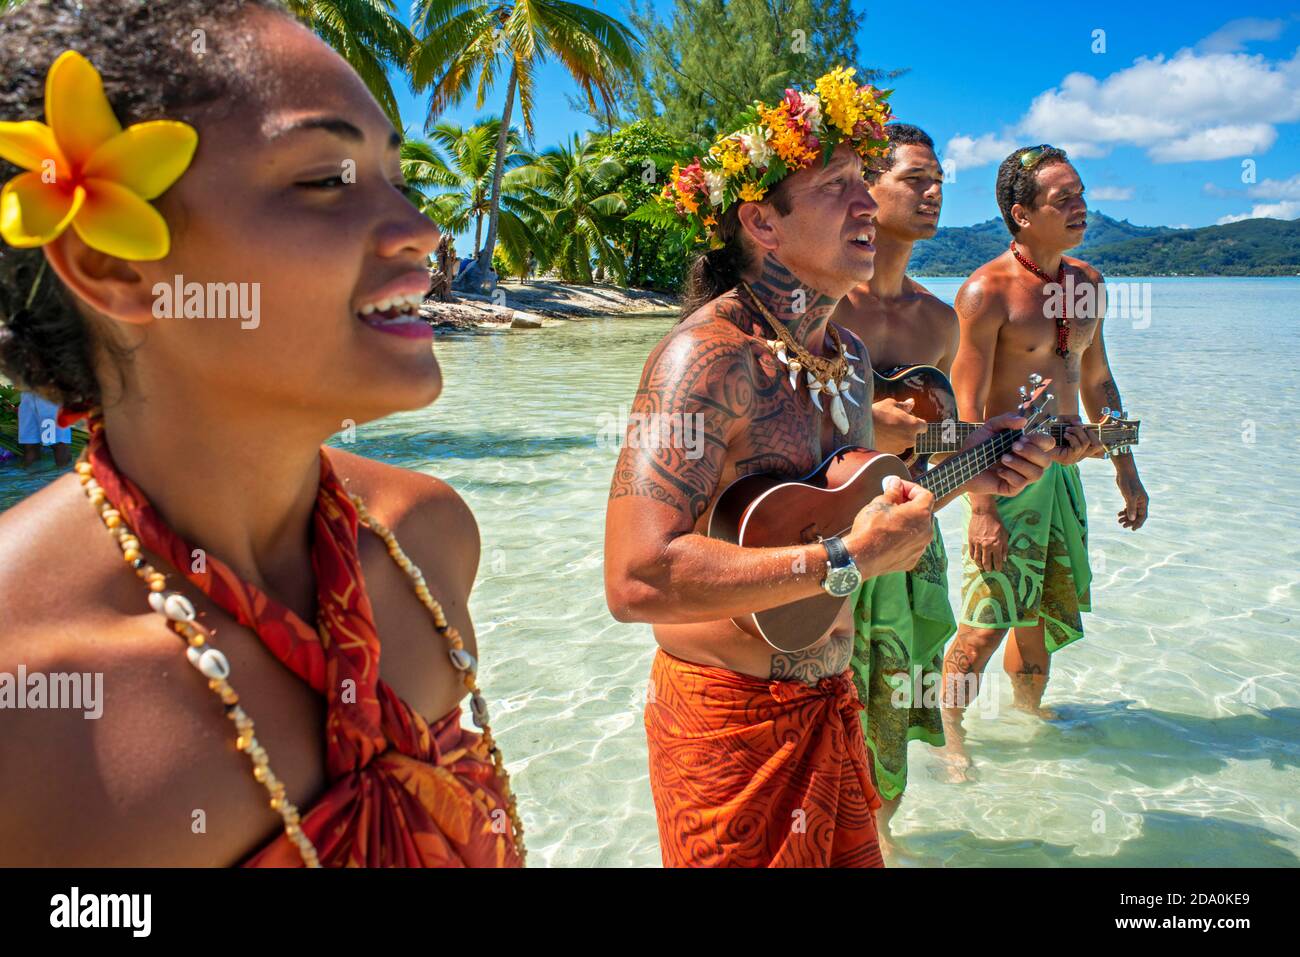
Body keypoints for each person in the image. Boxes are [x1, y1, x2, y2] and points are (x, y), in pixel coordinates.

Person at [0, 0, 522, 866]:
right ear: (113, 266)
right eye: (325, 180)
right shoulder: (29, 696)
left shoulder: (428, 541)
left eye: (396, 179)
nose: (422, 232)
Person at [603, 72, 1056, 867]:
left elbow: (850, 504)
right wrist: (848, 561)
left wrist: (981, 469)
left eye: (863, 183)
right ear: (762, 224)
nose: (865, 205)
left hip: (828, 704)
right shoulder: (704, 361)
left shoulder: (844, 358)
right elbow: (636, 578)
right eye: (837, 186)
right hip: (729, 726)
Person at [941, 144, 1150, 777]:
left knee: (1040, 618)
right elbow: (964, 409)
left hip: (1063, 475)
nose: (1082, 208)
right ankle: (949, 736)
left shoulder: (1087, 283)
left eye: (1082, 195)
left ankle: (1030, 722)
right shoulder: (986, 293)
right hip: (1005, 477)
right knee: (984, 626)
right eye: (1065, 200)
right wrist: (981, 508)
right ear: (1021, 213)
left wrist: (1126, 468)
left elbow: (1098, 379)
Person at [828, 123, 959, 850]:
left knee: (892, 718)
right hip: (829, 543)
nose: (934, 193)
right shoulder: (822, 304)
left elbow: (940, 448)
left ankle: (883, 851)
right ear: (865, 188)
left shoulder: (940, 320)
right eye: (916, 179)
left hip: (909, 538)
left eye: (940, 180)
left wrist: (1001, 454)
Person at [17, 389, 72, 467]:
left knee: (59, 443)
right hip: (27, 392)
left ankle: (67, 477)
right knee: (30, 443)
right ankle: (33, 478)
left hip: (49, 390)